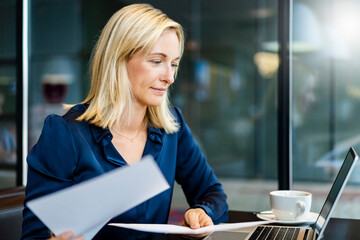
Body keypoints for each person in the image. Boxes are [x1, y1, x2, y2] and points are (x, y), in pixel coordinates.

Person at [21, 4, 228, 240]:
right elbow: (33, 236)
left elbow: (213, 194)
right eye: (157, 61)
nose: (169, 77)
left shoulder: (172, 127)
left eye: (173, 64)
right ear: (119, 59)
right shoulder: (65, 134)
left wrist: (202, 212)